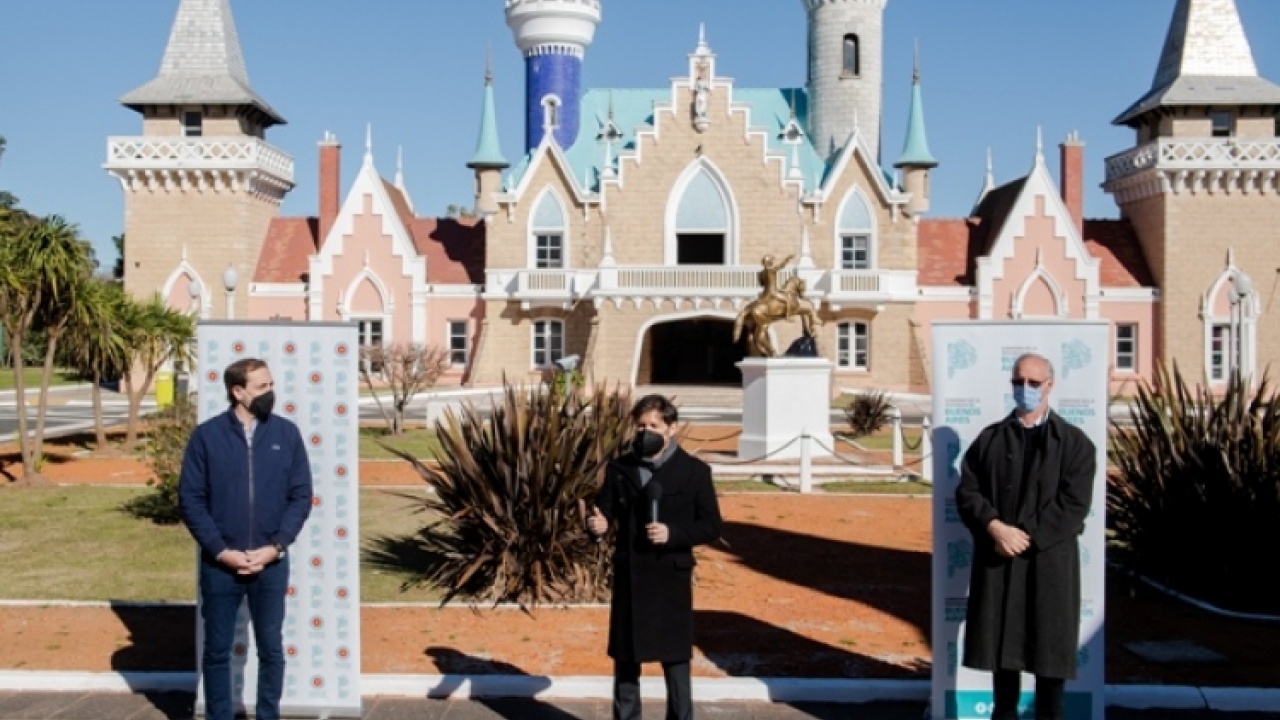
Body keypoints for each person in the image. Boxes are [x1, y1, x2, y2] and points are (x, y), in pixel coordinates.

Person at [955, 353, 1096, 720]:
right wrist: (995, 527)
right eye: (1019, 382)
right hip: (1000, 562)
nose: (1026, 389)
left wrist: (1027, 536)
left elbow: (1073, 505)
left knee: (1049, 664)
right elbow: (968, 492)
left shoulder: (1075, 443)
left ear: (1049, 385)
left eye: (1034, 383)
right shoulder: (990, 440)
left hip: (1049, 566)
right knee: (1004, 662)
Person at [179, 358, 314, 720]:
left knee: (271, 649)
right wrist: (221, 551)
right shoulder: (206, 437)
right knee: (217, 650)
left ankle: (268, 715)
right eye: (262, 387)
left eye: (271, 385)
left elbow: (301, 495)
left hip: (271, 564)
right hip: (220, 565)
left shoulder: (287, 434)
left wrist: (276, 546)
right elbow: (190, 499)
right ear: (238, 392)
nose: (271, 393)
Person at [584, 394, 723, 720]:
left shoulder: (694, 472)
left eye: (654, 425)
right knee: (627, 661)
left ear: (671, 428)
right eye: (641, 426)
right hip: (631, 575)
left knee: (675, 661)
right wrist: (598, 524)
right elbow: (603, 512)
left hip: (669, 578)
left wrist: (673, 534)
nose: (646, 431)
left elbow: (711, 525)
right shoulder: (620, 468)